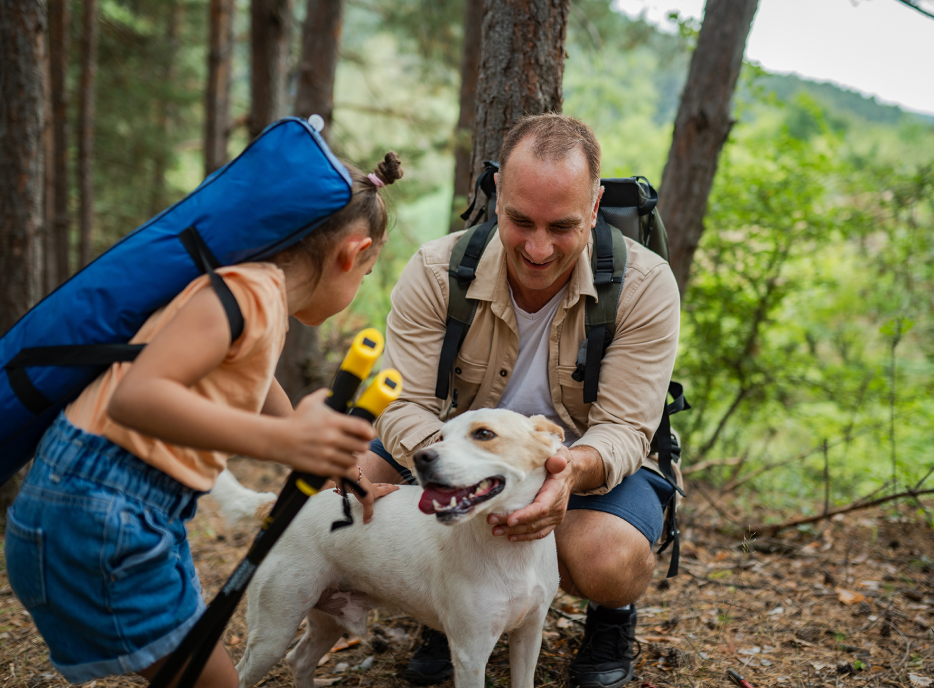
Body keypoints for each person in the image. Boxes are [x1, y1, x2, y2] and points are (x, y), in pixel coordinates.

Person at [4, 154, 405, 688]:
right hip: (100, 507)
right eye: (370, 273)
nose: (362, 283)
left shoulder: (260, 301)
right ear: (352, 254)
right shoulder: (247, 292)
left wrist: (333, 464)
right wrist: (288, 439)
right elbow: (138, 396)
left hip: (115, 508)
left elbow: (257, 383)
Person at [360, 114, 681, 687]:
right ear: (497, 196)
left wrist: (565, 473)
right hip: (461, 446)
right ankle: (454, 599)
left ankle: (609, 616)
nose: (537, 248)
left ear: (594, 205)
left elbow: (627, 428)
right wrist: (455, 468)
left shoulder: (644, 285)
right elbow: (400, 403)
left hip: (585, 465)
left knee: (607, 560)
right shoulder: (437, 272)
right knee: (340, 490)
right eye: (519, 220)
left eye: (561, 226)